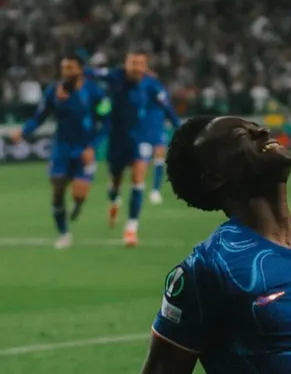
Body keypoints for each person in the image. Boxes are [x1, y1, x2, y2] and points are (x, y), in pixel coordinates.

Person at [142, 116, 291, 374]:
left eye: (256, 127)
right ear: (214, 177)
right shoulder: (211, 267)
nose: (263, 131)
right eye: (241, 136)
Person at [10, 55, 109, 249]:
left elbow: (106, 122)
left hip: (84, 149)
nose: (66, 72)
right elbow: (39, 117)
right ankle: (64, 234)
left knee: (79, 193)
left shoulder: (95, 91)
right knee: (57, 190)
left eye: (70, 68)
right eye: (64, 68)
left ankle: (78, 203)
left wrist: (92, 147)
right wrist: (23, 131)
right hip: (61, 148)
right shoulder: (53, 92)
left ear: (80, 69)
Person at [87, 51, 181, 246]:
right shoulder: (114, 76)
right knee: (115, 180)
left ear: (145, 66)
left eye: (140, 63)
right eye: (132, 63)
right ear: (126, 64)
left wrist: (181, 130)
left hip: (141, 137)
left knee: (138, 179)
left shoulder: (152, 84)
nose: (136, 67)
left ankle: (131, 228)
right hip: (118, 138)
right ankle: (114, 200)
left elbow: (167, 108)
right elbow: (89, 73)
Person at [142, 73, 170, 205]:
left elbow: (167, 107)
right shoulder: (143, 88)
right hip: (144, 129)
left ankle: (155, 190)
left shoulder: (159, 88)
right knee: (143, 160)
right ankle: (139, 186)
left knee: (160, 155)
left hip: (157, 128)